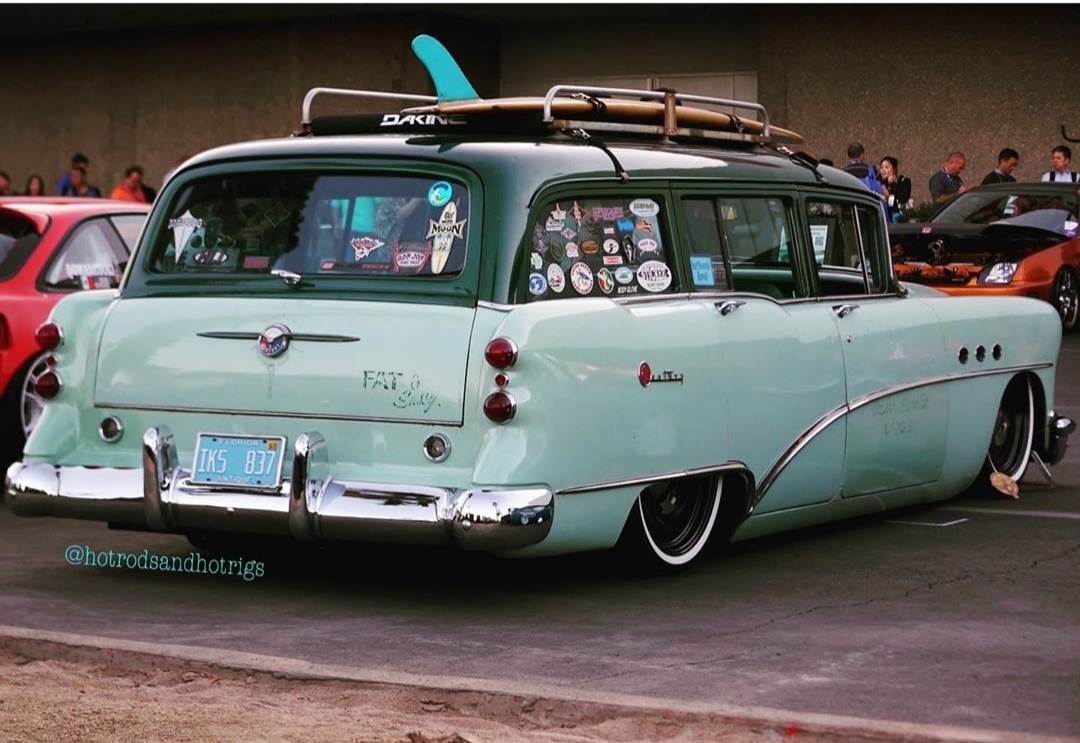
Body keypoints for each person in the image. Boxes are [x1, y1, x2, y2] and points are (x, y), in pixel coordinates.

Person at [878, 156, 912, 222]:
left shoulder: (904, 181)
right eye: (881, 167)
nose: (883, 170)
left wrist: (892, 184)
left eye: (886, 167)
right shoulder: (880, 183)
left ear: (894, 169)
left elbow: (902, 199)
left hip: (897, 217)